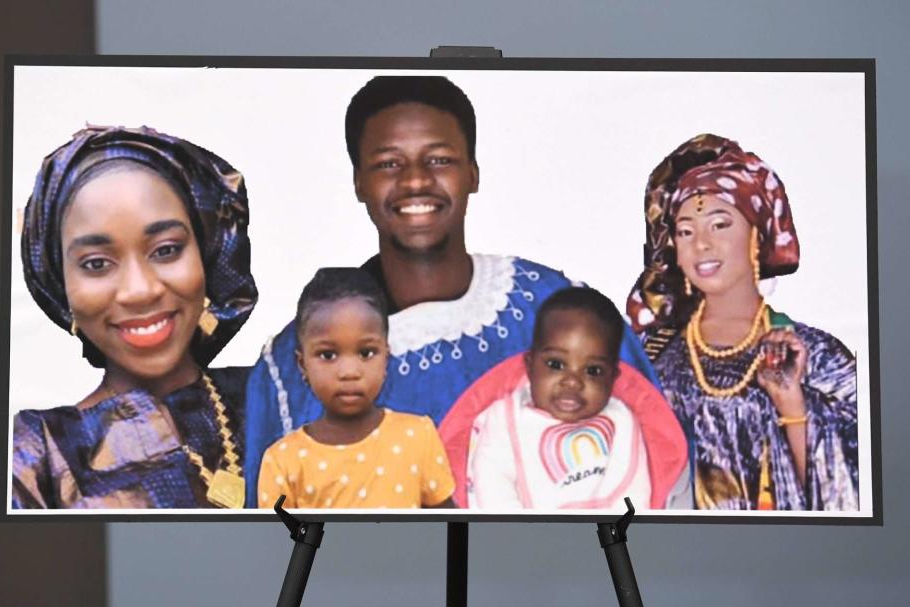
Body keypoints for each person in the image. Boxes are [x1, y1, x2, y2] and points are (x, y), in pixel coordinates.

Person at [243, 75, 665, 508]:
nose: (415, 181)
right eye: (389, 163)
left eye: (439, 159)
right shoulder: (291, 363)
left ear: (473, 173)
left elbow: (661, 456)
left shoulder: (558, 310)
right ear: (358, 183)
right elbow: (272, 540)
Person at [12, 125, 258, 509]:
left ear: (207, 255)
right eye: (96, 264)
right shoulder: (37, 457)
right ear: (60, 286)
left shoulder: (285, 397)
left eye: (165, 250)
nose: (139, 290)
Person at [626, 133, 859, 511]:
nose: (701, 243)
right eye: (686, 231)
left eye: (720, 225)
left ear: (756, 235)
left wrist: (793, 403)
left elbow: (862, 488)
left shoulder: (817, 355)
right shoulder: (653, 354)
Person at [469, 287, 687, 510]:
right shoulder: (506, 418)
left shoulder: (621, 421)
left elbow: (635, 493)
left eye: (593, 370)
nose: (573, 382)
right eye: (556, 365)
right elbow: (492, 481)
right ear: (530, 366)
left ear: (613, 377)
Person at [257, 268, 455, 509]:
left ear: (386, 358)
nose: (349, 371)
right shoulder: (283, 461)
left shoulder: (417, 437)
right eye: (328, 355)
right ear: (302, 365)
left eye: (366, 353)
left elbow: (450, 530)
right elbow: (275, 544)